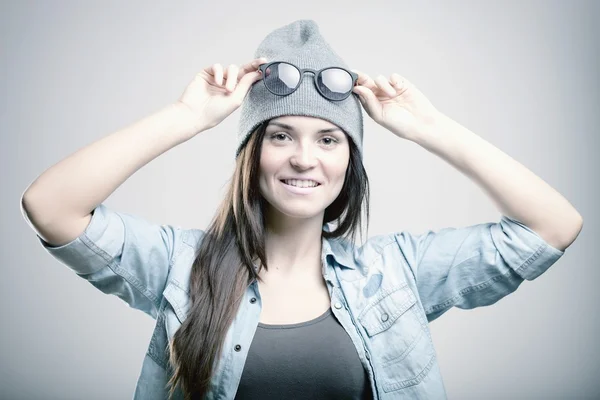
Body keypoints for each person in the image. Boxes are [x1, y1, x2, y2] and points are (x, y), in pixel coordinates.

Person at [20, 19, 583, 400]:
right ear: (253, 153)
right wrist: (187, 117)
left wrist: (431, 129)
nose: (304, 159)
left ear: (349, 162)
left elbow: (554, 226)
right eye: (281, 135)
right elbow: (50, 206)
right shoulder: (179, 266)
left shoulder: (396, 274)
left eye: (330, 139)